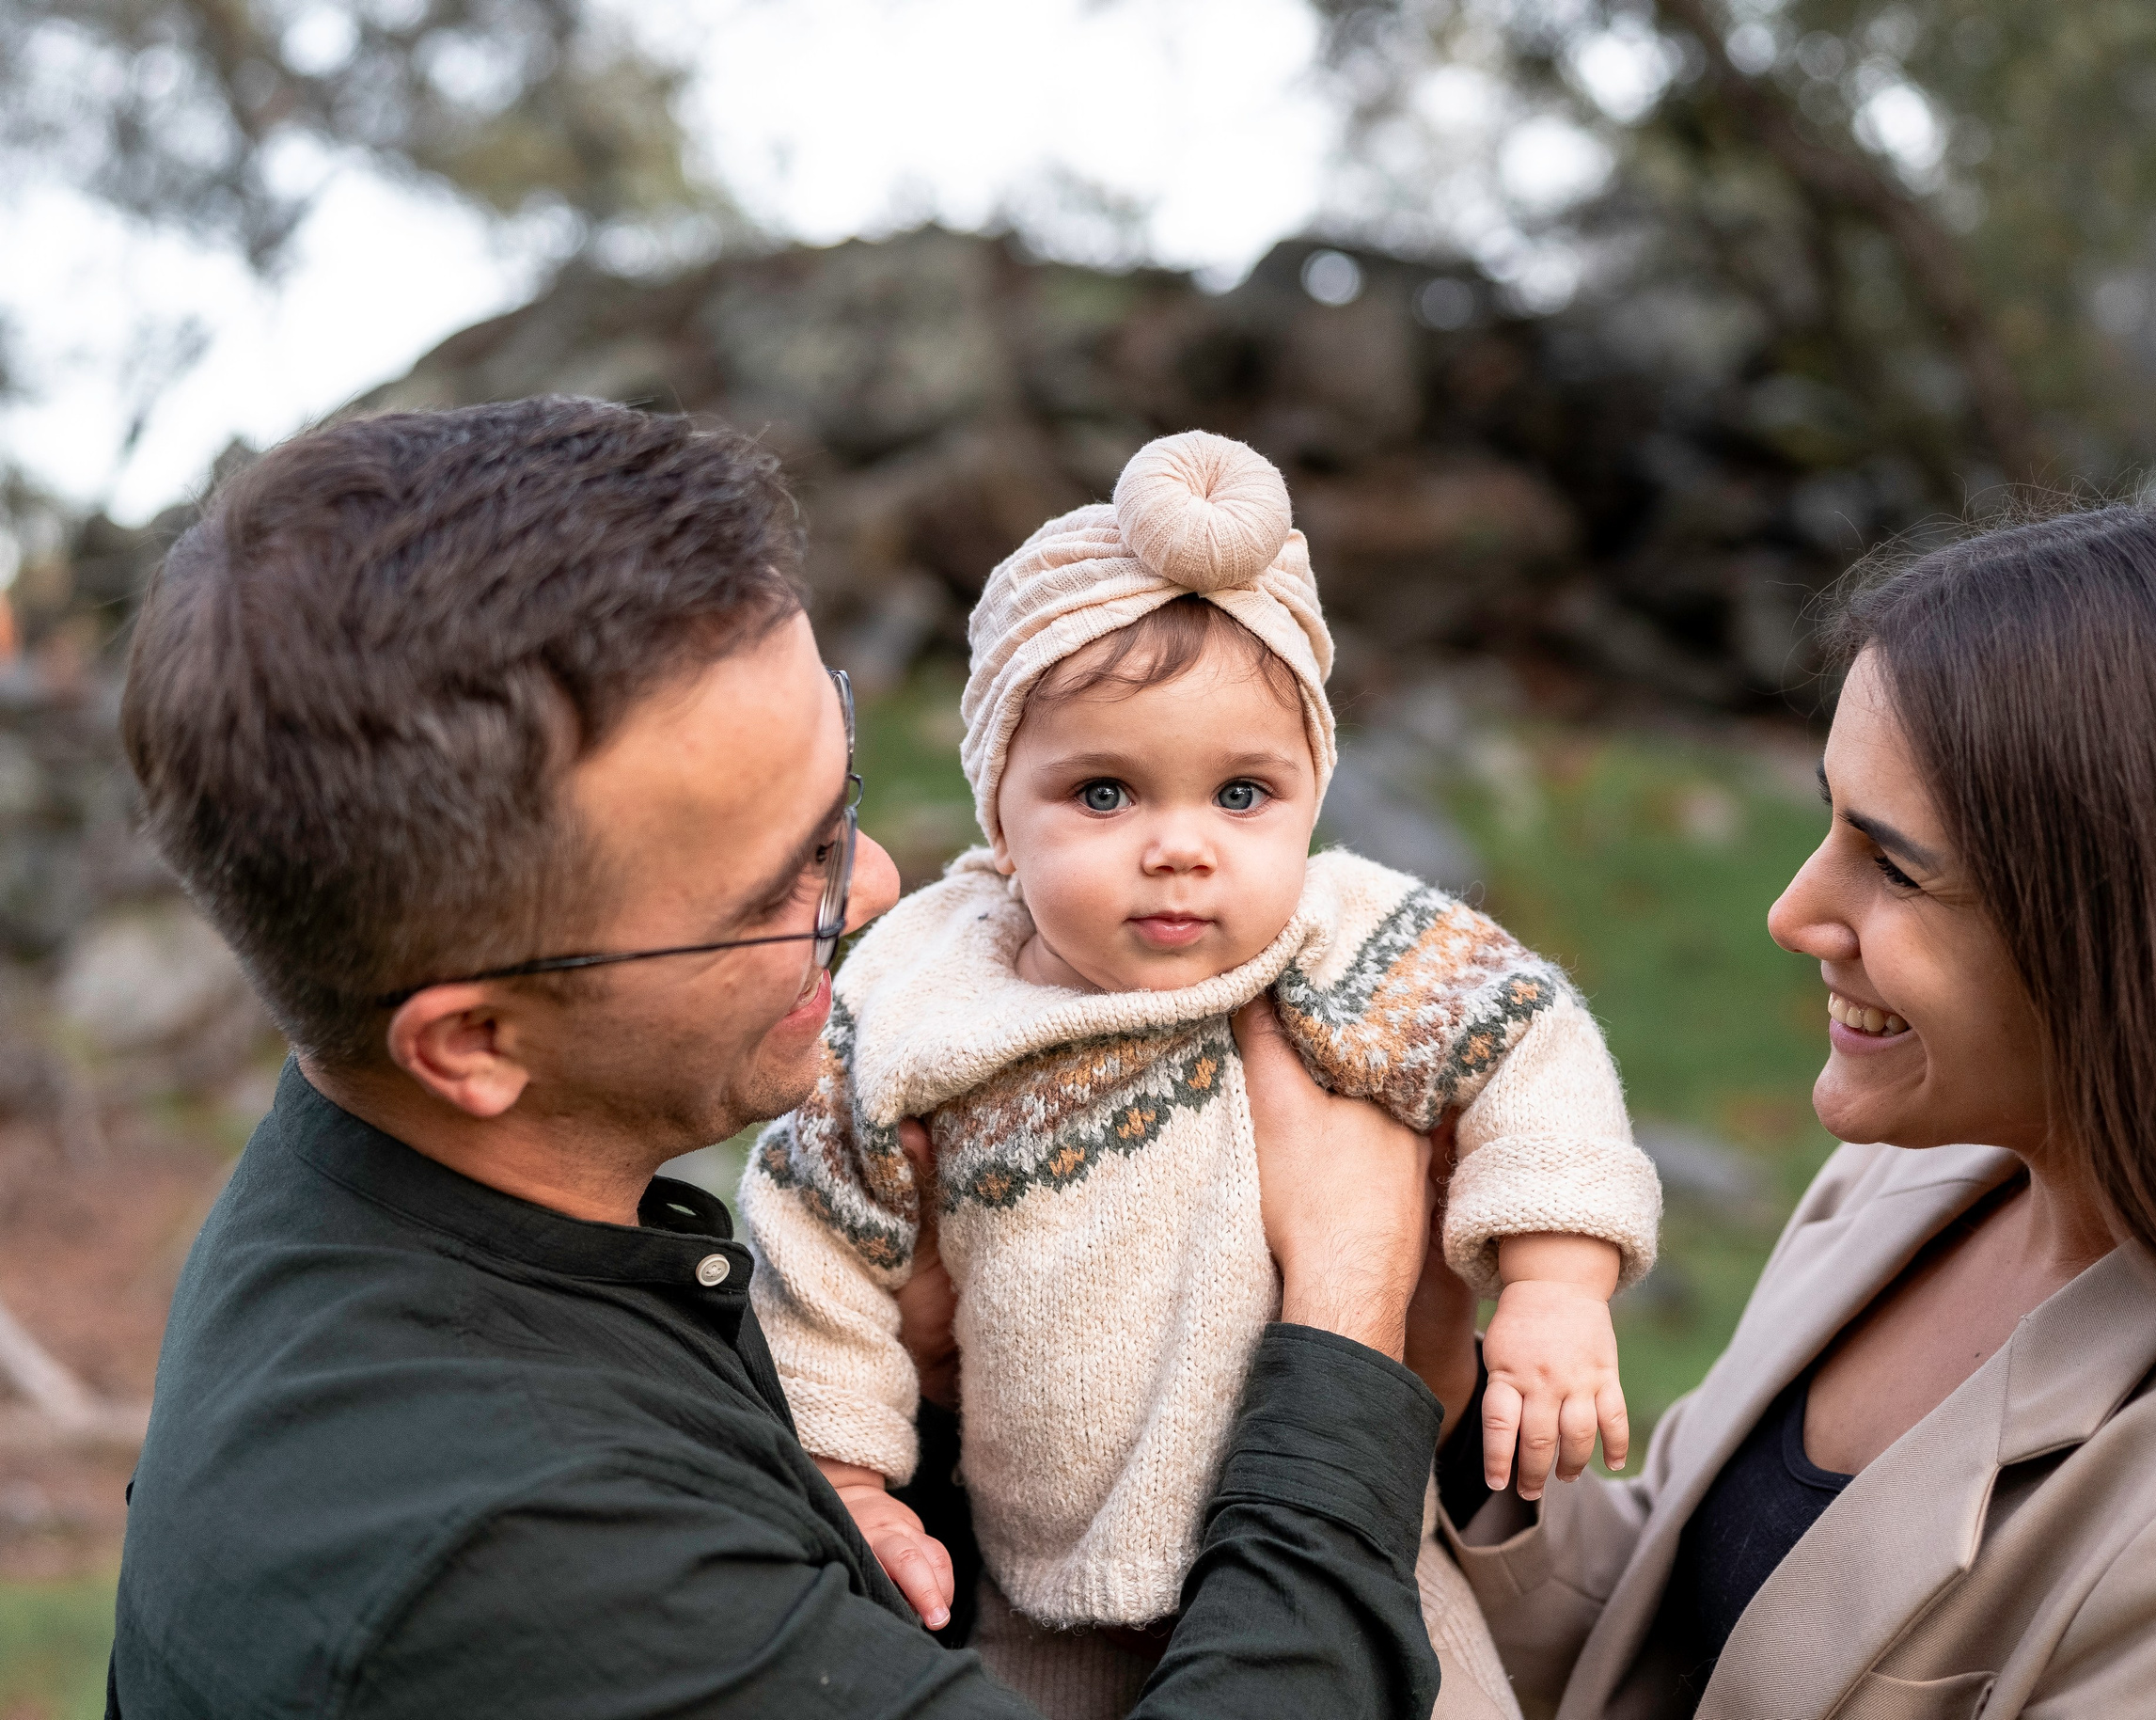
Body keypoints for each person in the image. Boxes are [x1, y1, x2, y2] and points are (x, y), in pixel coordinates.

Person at [105, 397, 1457, 1719]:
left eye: (841, 797)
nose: (871, 886)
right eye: (775, 885)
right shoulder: (535, 1565)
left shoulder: (398, 1184)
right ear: (475, 1042)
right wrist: (1343, 1306)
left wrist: (927, 1402)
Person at [1399, 499, 2156, 1718]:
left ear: (2137, 940)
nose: (1792, 911)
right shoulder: (1900, 1181)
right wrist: (1444, 1394)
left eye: (1895, 865)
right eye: (1827, 817)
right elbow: (1663, 1632)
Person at [739, 431, 1662, 1719]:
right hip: (1031, 1586)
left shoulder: (1343, 940)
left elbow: (1528, 1041)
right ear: (1000, 812)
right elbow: (816, 1227)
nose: (1181, 848)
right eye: (1105, 792)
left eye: (1242, 793)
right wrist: (845, 1470)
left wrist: (1558, 1281)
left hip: (1358, 1553)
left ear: (1311, 796)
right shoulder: (922, 993)